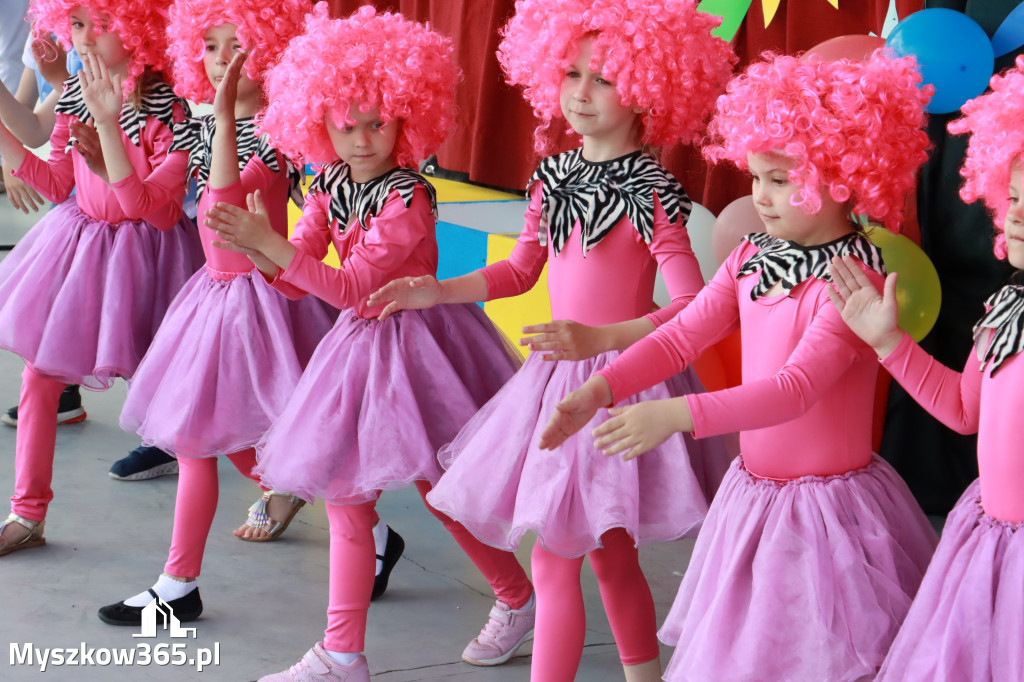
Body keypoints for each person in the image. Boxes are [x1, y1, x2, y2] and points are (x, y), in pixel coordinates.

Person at [539, 51, 941, 681]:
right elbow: (682, 337)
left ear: (841, 176)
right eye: (756, 177)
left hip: (827, 517)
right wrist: (601, 387)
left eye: (780, 181)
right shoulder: (752, 257)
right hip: (755, 498)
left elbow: (794, 390)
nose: (760, 196)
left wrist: (676, 412)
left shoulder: (853, 282)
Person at [368, 1, 736, 679]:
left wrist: (601, 335)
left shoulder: (652, 190)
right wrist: (436, 289)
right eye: (572, 73)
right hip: (550, 383)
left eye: (605, 79)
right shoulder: (551, 177)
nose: (582, 92)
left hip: (621, 382)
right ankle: (644, 672)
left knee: (570, 552)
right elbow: (518, 270)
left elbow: (692, 307)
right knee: (596, 551)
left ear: (650, 91)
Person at [204, 7, 535, 680]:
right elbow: (300, 276)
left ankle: (517, 596)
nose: (359, 139)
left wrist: (271, 248)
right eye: (343, 123)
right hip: (357, 350)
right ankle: (341, 652)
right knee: (347, 497)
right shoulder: (327, 184)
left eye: (376, 123)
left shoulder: (407, 198)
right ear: (316, 119)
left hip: (421, 349)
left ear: (408, 115)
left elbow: (352, 287)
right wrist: (264, 247)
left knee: (445, 493)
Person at [94, 0, 334, 628]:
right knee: (216, 440)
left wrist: (223, 117)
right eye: (210, 45)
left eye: (239, 44)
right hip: (214, 298)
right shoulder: (204, 128)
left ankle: (179, 583)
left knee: (232, 440)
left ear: (275, 53)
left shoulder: (281, 137)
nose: (222, 58)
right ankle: (181, 582)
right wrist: (109, 126)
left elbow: (226, 211)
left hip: (262, 301)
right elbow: (147, 206)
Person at [830, 55, 1024, 682]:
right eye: (1014, 196)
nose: (1016, 214)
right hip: (991, 543)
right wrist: (890, 344)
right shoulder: (1004, 306)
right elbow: (964, 412)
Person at [0, 0, 203, 558]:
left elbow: (159, 213)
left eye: (102, 26)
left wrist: (107, 141)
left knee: (174, 393)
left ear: (141, 34)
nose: (84, 39)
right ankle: (26, 511)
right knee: (41, 378)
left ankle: (279, 484)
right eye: (78, 24)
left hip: (152, 261)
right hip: (82, 248)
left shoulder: (171, 112)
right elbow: (54, 183)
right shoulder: (75, 94)